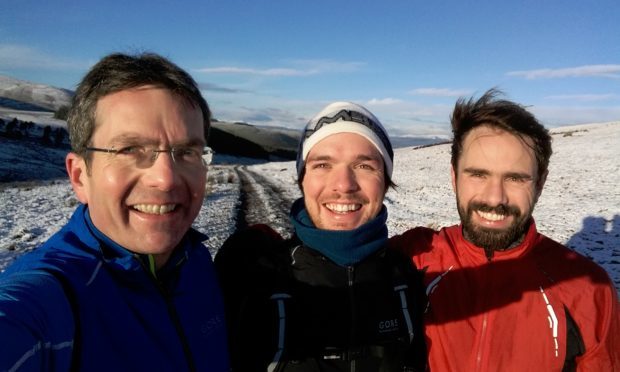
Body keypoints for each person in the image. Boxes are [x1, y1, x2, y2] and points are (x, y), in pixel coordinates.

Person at [0, 53, 229, 371]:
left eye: (187, 151)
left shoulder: (196, 261)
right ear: (80, 176)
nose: (166, 179)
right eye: (130, 150)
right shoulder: (47, 302)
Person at [390, 89, 620, 371]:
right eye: (478, 174)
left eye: (515, 178)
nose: (495, 197)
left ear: (539, 183)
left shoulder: (586, 289)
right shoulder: (414, 257)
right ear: (454, 176)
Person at [214, 102, 427, 371]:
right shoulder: (251, 282)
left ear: (385, 181)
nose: (344, 185)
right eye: (323, 164)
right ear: (302, 179)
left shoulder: (413, 280)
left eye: (364, 165)